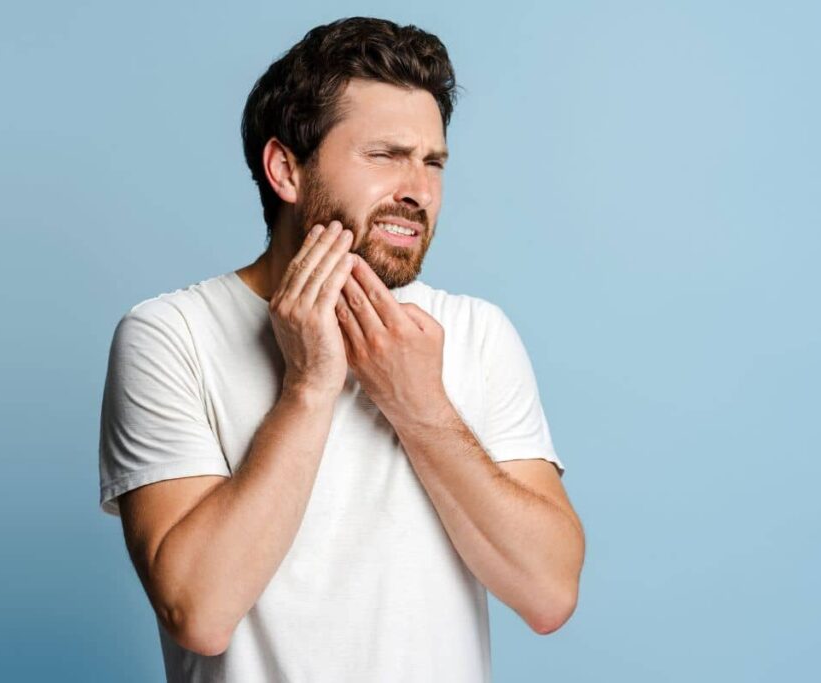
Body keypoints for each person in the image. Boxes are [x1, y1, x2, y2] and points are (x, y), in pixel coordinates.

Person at [97, 16, 585, 683]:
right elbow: (198, 611)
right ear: (286, 170)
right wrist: (308, 387)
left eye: (432, 162)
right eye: (385, 155)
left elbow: (550, 593)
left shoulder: (475, 332)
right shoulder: (170, 335)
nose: (418, 190)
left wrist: (421, 407)